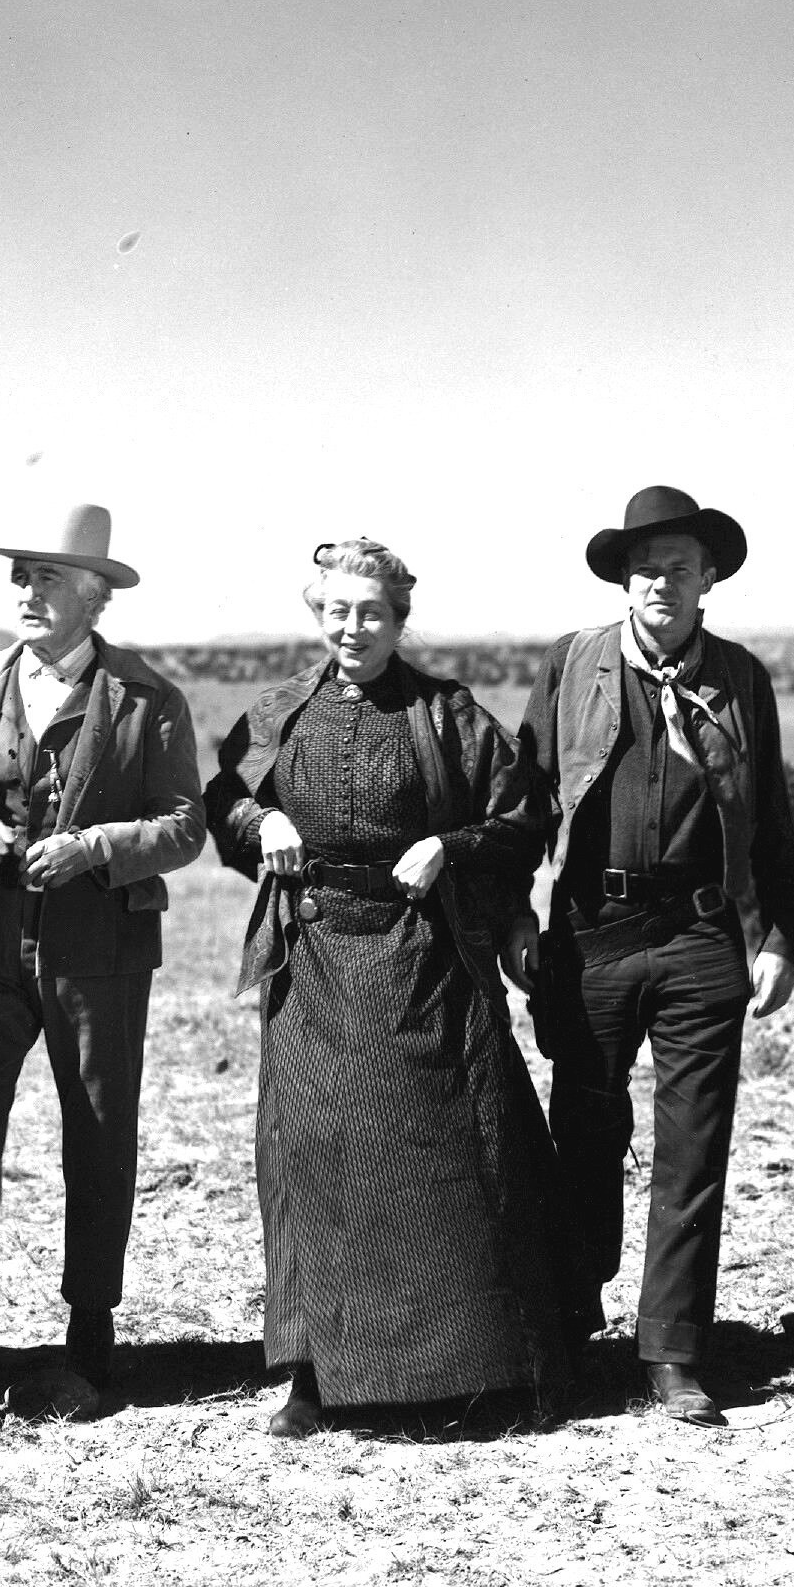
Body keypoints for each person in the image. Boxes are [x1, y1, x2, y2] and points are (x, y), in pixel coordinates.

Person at [206, 537, 564, 1437]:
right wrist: (263, 818)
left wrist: (453, 846)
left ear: (400, 620)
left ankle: (484, 1368)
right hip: (315, 957)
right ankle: (316, 1376)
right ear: (316, 614)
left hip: (425, 955)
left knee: (455, 1152)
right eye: (337, 611)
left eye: (371, 613)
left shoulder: (447, 713)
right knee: (312, 1156)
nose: (352, 627)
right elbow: (224, 802)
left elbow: (522, 815)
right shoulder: (280, 712)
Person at [0, 504, 206, 1418]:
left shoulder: (149, 700)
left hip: (96, 951)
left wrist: (96, 847)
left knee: (99, 1134)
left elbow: (183, 825)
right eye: (21, 576)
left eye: (48, 579)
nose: (26, 593)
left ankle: (89, 1331)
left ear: (95, 597)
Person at [504, 486, 794, 1428]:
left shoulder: (740, 677)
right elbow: (523, 798)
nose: (657, 583)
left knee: (693, 1151)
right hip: (591, 931)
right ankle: (572, 1320)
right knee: (584, 1132)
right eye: (643, 568)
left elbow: (774, 824)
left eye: (677, 566)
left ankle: (672, 1350)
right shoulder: (573, 665)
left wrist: (781, 935)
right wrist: (515, 906)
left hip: (701, 937)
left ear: (708, 578)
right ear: (621, 581)